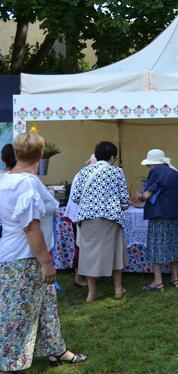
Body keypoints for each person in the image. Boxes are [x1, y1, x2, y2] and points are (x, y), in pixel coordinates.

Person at [0, 133, 87, 372]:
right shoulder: (27, 183)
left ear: (16, 153)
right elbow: (30, 226)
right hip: (25, 257)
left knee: (46, 306)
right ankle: (9, 364)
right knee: (17, 313)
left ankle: (57, 351)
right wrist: (45, 263)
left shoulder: (5, 180)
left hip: (13, 253)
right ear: (41, 155)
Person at [71, 141, 129, 303]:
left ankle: (91, 293)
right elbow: (124, 198)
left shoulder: (84, 172)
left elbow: (75, 197)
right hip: (111, 216)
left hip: (88, 217)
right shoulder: (116, 172)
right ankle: (118, 289)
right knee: (116, 251)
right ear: (112, 157)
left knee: (89, 254)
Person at [137, 149, 178, 292]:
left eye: (149, 165)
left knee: (156, 246)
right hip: (175, 213)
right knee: (174, 244)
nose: (148, 168)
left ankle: (158, 282)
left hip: (160, 214)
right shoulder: (175, 172)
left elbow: (147, 195)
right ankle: (175, 278)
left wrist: (139, 196)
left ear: (154, 163)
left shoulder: (156, 172)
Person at [64, 154, 97, 288]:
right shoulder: (88, 174)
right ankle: (79, 277)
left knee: (82, 246)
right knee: (81, 247)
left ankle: (84, 276)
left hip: (79, 214)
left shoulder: (82, 173)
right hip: (81, 215)